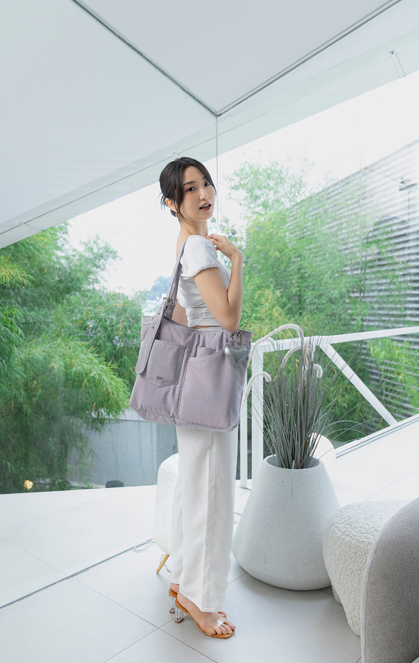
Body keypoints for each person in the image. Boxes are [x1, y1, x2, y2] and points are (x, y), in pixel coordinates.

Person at [159, 157, 244, 639]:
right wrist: (238, 259)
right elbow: (228, 319)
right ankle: (203, 600)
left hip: (192, 378)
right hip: (211, 377)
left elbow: (183, 314)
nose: (204, 193)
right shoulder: (198, 246)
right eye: (190, 189)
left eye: (206, 183)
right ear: (173, 203)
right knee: (213, 492)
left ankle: (182, 578)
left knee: (193, 485)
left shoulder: (183, 244)